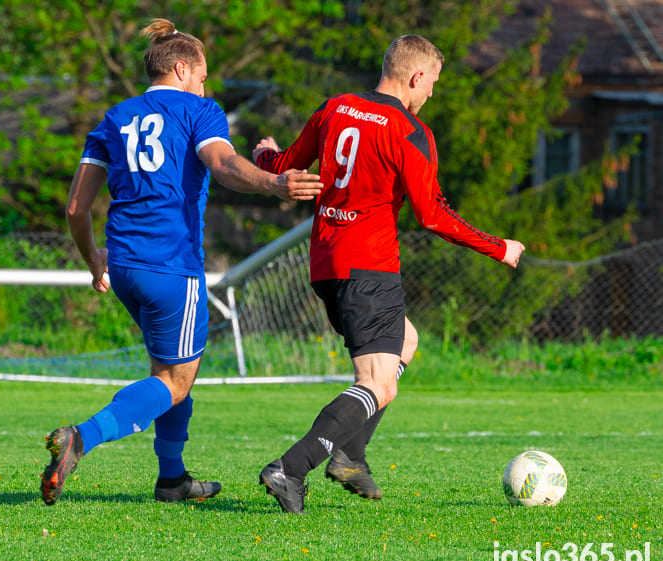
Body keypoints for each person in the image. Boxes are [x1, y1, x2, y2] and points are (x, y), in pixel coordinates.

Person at [40, 18, 322, 506]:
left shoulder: (112, 119)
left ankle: (171, 479)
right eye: (203, 74)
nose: (205, 84)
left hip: (124, 266)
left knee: (169, 371)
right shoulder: (200, 111)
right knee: (175, 380)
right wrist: (274, 183)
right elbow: (222, 163)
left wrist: (94, 262)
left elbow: (75, 208)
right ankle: (81, 438)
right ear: (181, 67)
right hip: (171, 265)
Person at [252, 34, 526, 513]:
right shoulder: (407, 130)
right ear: (417, 76)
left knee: (406, 342)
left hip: (327, 260)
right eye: (433, 83)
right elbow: (433, 215)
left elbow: (287, 166)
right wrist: (498, 247)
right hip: (369, 265)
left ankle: (350, 456)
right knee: (378, 382)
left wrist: (262, 157)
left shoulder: (335, 108)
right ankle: (291, 467)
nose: (432, 95)